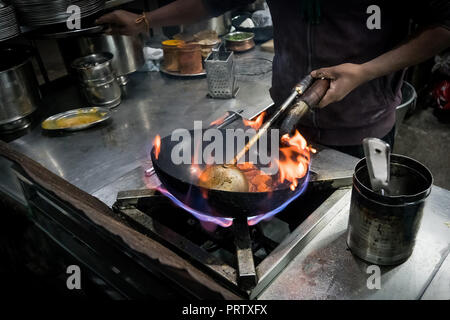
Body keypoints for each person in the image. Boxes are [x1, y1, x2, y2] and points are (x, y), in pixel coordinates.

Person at [96, 0, 450, 158]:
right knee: (295, 227)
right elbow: (212, 1)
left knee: (346, 238)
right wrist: (143, 21)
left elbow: (442, 27)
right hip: (286, 117)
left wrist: (363, 72)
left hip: (363, 127)